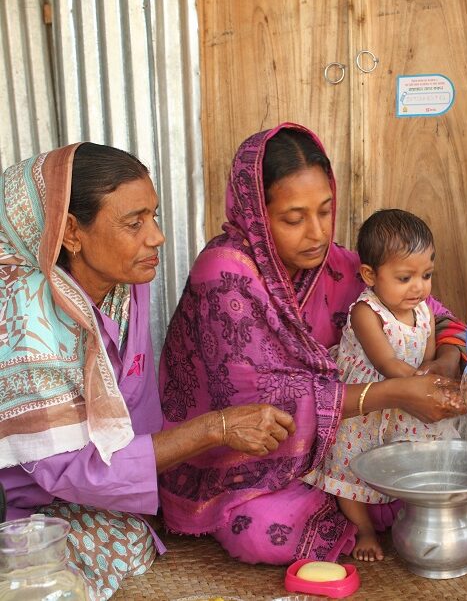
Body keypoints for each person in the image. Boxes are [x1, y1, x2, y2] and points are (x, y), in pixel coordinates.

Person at [158, 123, 467, 565]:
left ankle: (349, 497)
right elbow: (256, 406)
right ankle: (347, 501)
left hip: (339, 436)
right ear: (256, 214)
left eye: (325, 211)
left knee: (413, 477)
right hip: (247, 456)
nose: (316, 233)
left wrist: (446, 361)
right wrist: (392, 392)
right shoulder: (225, 276)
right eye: (294, 219)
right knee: (264, 535)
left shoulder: (339, 266)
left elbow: (438, 313)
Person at [0, 143, 289, 600]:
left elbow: (136, 411)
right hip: (23, 502)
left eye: (153, 216)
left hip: (82, 493)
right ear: (72, 232)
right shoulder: (27, 323)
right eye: (134, 223)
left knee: (135, 533)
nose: (156, 237)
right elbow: (70, 473)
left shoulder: (123, 286)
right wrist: (215, 428)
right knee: (48, 573)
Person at [303, 208, 461, 562]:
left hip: (405, 401)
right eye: (405, 277)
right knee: (349, 468)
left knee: (419, 455)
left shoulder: (424, 312)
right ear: (370, 275)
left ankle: (421, 517)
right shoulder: (366, 312)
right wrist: (426, 386)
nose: (419, 287)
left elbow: (429, 356)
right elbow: (387, 364)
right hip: (366, 407)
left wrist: (436, 375)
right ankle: (365, 531)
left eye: (427, 274)